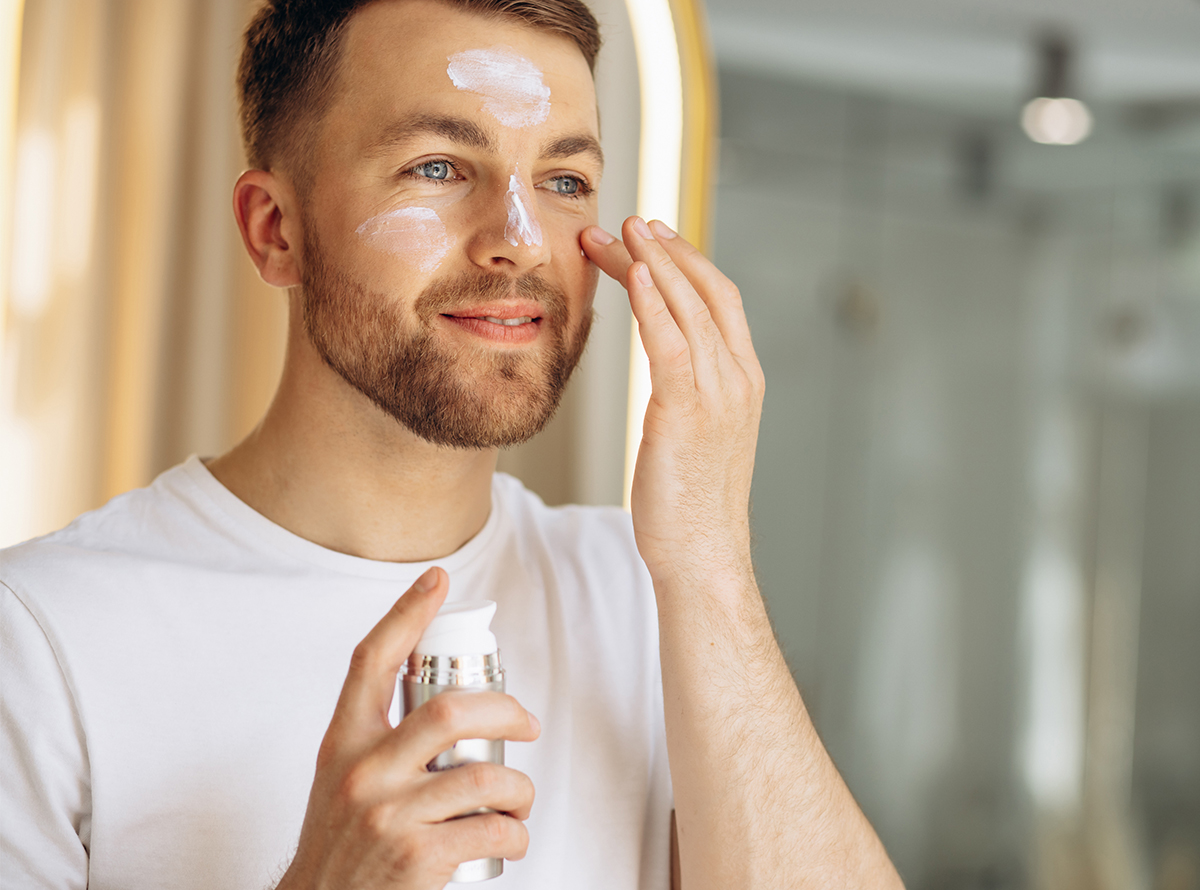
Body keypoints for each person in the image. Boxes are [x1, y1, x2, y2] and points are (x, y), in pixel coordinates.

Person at [0, 1, 904, 887]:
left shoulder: (646, 592)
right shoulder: (37, 642)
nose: (518, 240)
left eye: (563, 182)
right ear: (275, 230)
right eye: (437, 166)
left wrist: (708, 557)